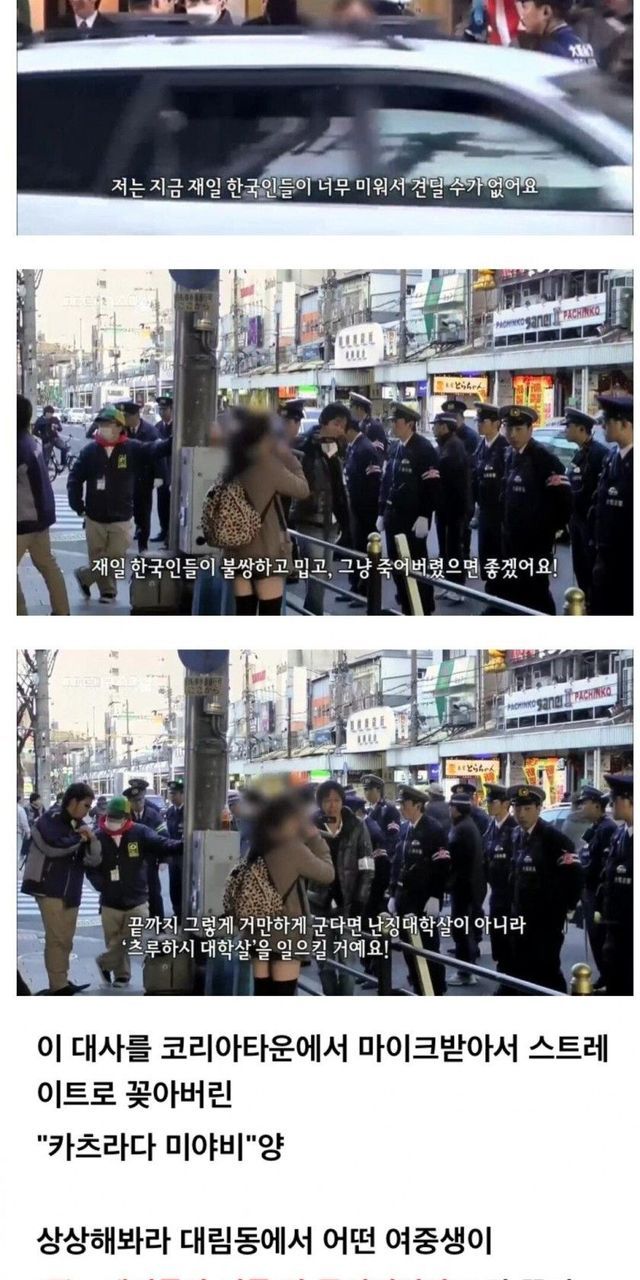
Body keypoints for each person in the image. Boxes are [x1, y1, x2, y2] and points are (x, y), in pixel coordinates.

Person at [67, 404, 171, 603]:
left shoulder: (131, 448)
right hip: (94, 516)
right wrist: (77, 506)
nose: (104, 428)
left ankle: (85, 576)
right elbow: (74, 479)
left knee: (115, 555)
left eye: (109, 424)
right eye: (101, 424)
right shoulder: (90, 451)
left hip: (121, 516)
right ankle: (108, 591)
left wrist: (173, 440)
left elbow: (155, 449)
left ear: (120, 427)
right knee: (97, 556)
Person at [233, 794, 331, 995]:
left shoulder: (257, 845)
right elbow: (328, 874)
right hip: (285, 935)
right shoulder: (293, 848)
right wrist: (315, 838)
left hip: (256, 932)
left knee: (263, 992)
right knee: (282, 993)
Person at [217, 410, 309, 615]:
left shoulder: (233, 465)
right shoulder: (268, 465)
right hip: (265, 552)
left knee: (244, 611)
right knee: (270, 613)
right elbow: (302, 489)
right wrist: (290, 459)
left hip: (236, 552)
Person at [88, 796, 183, 987]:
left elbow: (161, 843)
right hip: (109, 901)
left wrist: (182, 844)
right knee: (114, 940)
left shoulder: (139, 832)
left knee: (131, 937)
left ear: (127, 816)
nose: (113, 821)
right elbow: (90, 865)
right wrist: (101, 884)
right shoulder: (98, 836)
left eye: (118, 817)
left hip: (136, 898)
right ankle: (122, 975)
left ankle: (104, 962)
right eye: (111, 816)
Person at [21, 782, 101, 994]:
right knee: (56, 938)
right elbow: (54, 847)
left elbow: (94, 860)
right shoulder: (50, 819)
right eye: (85, 805)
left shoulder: (80, 824)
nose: (87, 811)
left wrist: (92, 838)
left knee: (66, 939)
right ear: (73, 801)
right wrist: (80, 837)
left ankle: (62, 979)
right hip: (48, 886)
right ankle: (58, 986)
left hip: (72, 889)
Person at [508, 784, 583, 992]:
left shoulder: (553, 838)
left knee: (547, 970)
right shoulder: (517, 835)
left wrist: (566, 907)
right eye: (517, 808)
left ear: (539, 808)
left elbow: (575, 875)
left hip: (545, 919)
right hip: (520, 915)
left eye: (527, 809)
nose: (521, 814)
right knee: (522, 967)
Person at [500, 404, 571, 613]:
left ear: (530, 430)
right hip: (512, 539)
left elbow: (564, 499)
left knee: (536, 592)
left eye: (518, 429)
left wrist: (551, 530)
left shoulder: (543, 458)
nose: (513, 434)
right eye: (509, 428)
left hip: (535, 543)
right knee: (515, 591)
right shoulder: (511, 455)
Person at [309, 780, 375, 995]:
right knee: (324, 961)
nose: (332, 805)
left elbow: (367, 865)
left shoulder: (356, 826)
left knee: (347, 963)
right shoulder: (310, 827)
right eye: (327, 800)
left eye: (336, 800)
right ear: (320, 803)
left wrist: (360, 899)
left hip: (349, 904)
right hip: (318, 903)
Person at [377, 402, 440, 615]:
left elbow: (431, 486)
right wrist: (381, 512)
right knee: (397, 565)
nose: (393, 425)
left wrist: (425, 515)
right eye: (392, 421)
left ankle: (423, 607)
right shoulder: (395, 447)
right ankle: (405, 604)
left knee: (417, 566)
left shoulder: (423, 449)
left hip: (412, 519)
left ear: (410, 423)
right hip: (393, 517)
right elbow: (387, 482)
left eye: (397, 421)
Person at [388, 786, 451, 996]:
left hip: (423, 900)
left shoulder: (433, 829)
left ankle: (436, 991)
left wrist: (435, 896)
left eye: (404, 804)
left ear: (418, 805)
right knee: (409, 949)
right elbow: (397, 863)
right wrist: (392, 893)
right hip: (405, 899)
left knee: (428, 948)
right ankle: (418, 987)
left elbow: (442, 866)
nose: (401, 808)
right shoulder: (405, 829)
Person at [319, 403, 382, 600]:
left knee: (364, 550)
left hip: (364, 509)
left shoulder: (365, 449)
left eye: (342, 430)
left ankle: (365, 591)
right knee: (354, 549)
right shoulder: (354, 447)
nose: (340, 435)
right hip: (353, 506)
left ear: (350, 430)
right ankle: (355, 587)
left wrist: (370, 511)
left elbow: (373, 483)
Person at [290, 416, 350, 615]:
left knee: (323, 574)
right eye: (336, 424)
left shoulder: (337, 447)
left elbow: (339, 486)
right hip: (310, 518)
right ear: (325, 423)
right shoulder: (307, 446)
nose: (340, 429)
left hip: (330, 521)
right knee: (316, 573)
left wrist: (344, 519)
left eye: (342, 426)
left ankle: (313, 612)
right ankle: (314, 614)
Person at [17, 394, 70, 616]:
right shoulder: (31, 441)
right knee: (47, 564)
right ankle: (62, 611)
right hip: (42, 515)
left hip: (23, 519)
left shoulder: (16, 446)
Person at [589, 393, 633, 616]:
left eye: (607, 420)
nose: (603, 425)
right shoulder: (611, 457)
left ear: (625, 424)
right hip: (605, 558)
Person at [562, 408, 608, 607]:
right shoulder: (580, 454)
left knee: (591, 572)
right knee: (580, 569)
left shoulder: (599, 454)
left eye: (569, 426)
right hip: (576, 521)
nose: (565, 430)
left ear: (581, 429)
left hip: (590, 524)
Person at [578, 784, 617, 990]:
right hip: (589, 891)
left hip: (598, 894)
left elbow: (601, 865)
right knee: (595, 938)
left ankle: (609, 978)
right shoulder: (595, 827)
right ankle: (604, 975)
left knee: (601, 938)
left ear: (596, 805)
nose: (581, 807)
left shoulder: (607, 829)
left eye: (584, 803)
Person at [596, 773, 632, 995]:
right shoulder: (620, 834)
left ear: (630, 800)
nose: (611, 806)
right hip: (614, 930)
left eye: (615, 800)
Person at [447, 795, 487, 986]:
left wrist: (448, 882)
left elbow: (455, 860)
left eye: (451, 806)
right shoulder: (467, 825)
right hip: (470, 887)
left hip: (464, 888)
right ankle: (468, 969)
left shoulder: (461, 829)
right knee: (465, 930)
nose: (449, 810)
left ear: (457, 809)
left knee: (462, 931)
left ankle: (465, 972)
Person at [432, 413, 472, 600]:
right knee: (445, 549)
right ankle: (448, 583)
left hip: (454, 508)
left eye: (436, 425)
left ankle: (458, 588)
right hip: (443, 506)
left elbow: (454, 481)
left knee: (454, 548)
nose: (433, 428)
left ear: (444, 427)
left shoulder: (454, 447)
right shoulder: (445, 445)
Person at [473, 403, 509, 599]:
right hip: (485, 511)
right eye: (478, 421)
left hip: (500, 513)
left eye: (483, 421)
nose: (479, 424)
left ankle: (499, 598)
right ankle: (491, 595)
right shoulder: (481, 447)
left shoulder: (504, 448)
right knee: (486, 557)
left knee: (499, 556)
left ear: (496, 424)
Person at [483, 783, 518, 978]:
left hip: (510, 895)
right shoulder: (491, 827)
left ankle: (509, 981)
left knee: (509, 941)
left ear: (505, 804)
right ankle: (503, 975)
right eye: (488, 801)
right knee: (497, 939)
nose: (489, 805)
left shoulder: (513, 828)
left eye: (493, 802)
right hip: (496, 894)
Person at [115, 401, 159, 554]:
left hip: (144, 479)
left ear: (136, 416)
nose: (124, 419)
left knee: (143, 513)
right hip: (125, 479)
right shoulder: (121, 430)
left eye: (126, 416)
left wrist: (159, 476)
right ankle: (121, 544)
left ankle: (143, 546)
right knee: (122, 514)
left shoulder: (150, 431)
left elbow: (158, 454)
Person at [123, 779, 168, 920]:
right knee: (134, 892)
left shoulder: (153, 815)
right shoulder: (125, 816)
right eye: (134, 801)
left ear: (144, 799)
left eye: (140, 800)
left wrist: (163, 860)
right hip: (131, 861)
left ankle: (158, 922)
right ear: (129, 802)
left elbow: (164, 837)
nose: (138, 804)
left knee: (154, 891)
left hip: (150, 859)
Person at [517, 0, 597, 62]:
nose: (522, 15)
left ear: (546, 12)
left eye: (524, 7)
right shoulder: (583, 44)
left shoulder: (547, 52)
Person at [362, 775, 402, 865]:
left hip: (383, 860)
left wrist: (387, 857)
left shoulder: (389, 809)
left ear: (378, 790)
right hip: (369, 857)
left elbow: (393, 837)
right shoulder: (367, 811)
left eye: (370, 789)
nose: (367, 793)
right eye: (365, 789)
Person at [150, 395, 174, 546]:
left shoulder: (178, 426)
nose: (162, 412)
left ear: (172, 410)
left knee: (173, 504)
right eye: (160, 409)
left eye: (164, 409)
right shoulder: (158, 427)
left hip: (174, 471)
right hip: (161, 472)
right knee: (161, 503)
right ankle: (163, 530)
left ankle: (171, 534)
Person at [165, 777, 185, 920]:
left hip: (185, 854)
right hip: (173, 853)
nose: (171, 796)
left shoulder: (189, 811)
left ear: (182, 794)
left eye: (174, 794)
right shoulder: (170, 812)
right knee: (174, 885)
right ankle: (177, 913)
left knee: (184, 885)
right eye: (170, 793)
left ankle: (184, 913)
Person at [17, 799, 30, 866]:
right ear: (19, 800)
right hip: (18, 833)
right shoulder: (20, 810)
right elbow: (24, 822)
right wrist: (28, 832)